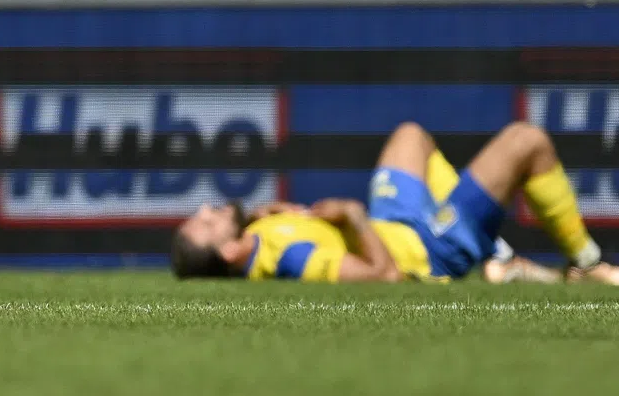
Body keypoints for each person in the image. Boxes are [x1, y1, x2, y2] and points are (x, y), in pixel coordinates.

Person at [170, 121, 619, 284]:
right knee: (527, 141)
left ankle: (497, 258)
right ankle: (587, 262)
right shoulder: (290, 259)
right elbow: (381, 276)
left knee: (410, 134)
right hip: (427, 249)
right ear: (228, 252)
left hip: (397, 222)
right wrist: (351, 216)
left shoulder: (257, 232)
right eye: (207, 224)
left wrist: (279, 212)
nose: (209, 209)